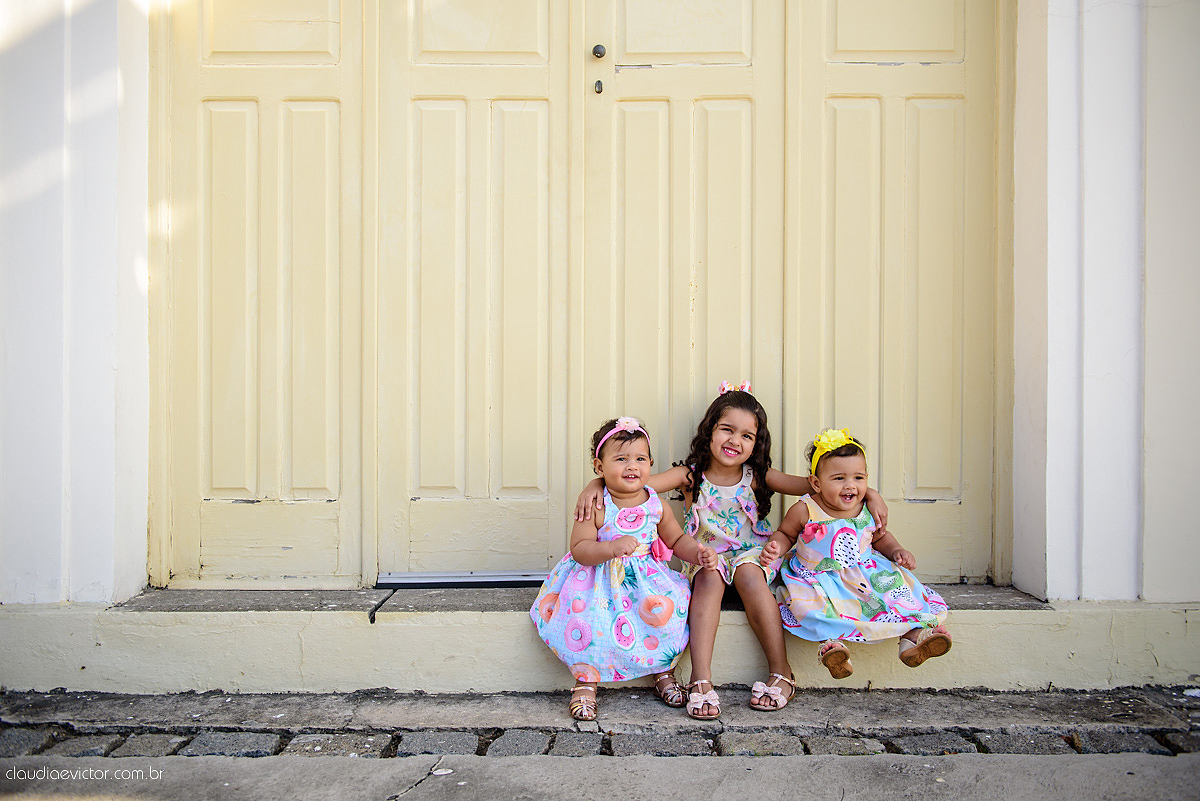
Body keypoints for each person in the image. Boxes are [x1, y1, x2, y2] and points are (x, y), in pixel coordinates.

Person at [575, 384, 890, 719]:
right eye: (727, 429)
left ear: (756, 444)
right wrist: (595, 484)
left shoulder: (758, 476)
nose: (735, 441)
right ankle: (701, 679)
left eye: (747, 435)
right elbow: (636, 482)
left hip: (751, 554)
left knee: (749, 573)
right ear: (710, 430)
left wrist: (869, 493)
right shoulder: (689, 475)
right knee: (710, 578)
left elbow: (818, 483)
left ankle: (781, 671)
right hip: (705, 556)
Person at [532, 417, 717, 721]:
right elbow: (579, 549)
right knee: (588, 622)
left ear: (650, 463)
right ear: (599, 467)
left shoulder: (655, 503)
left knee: (665, 616)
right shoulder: (596, 503)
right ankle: (586, 682)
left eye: (640, 459)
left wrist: (698, 553)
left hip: (645, 581)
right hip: (596, 581)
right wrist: (611, 548)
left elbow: (676, 539)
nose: (632, 466)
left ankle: (662, 671)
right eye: (621, 459)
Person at [761, 428, 950, 680]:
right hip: (817, 577)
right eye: (839, 478)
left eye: (858, 478)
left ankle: (911, 640)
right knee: (817, 606)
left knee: (896, 595)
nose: (850, 485)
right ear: (816, 483)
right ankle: (833, 647)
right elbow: (786, 534)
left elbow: (880, 536)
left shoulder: (866, 509)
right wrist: (776, 546)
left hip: (864, 573)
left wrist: (897, 550)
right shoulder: (805, 509)